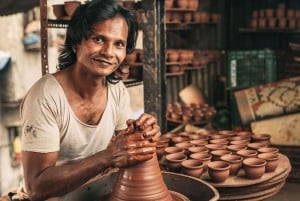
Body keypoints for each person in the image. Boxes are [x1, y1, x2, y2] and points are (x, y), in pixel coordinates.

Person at [16, 0, 161, 200]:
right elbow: (36, 187)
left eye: (119, 44)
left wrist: (143, 133)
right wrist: (109, 156)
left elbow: (128, 145)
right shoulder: (45, 97)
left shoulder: (117, 91)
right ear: (76, 42)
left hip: (96, 192)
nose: (109, 52)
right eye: (98, 39)